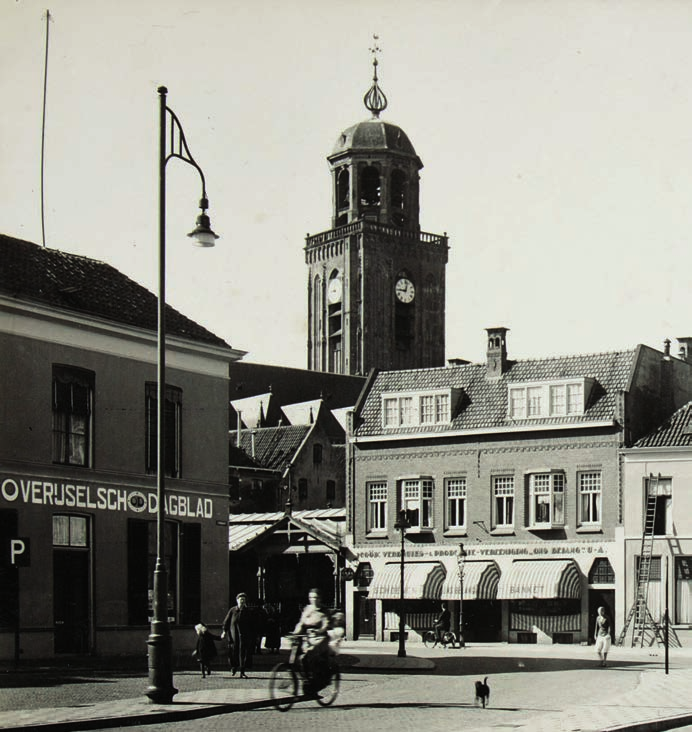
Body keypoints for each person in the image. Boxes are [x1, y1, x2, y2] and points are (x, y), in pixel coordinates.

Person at [293, 588, 331, 697]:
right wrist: (295, 633)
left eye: (315, 597)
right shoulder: (307, 609)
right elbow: (301, 623)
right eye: (311, 597)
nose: (313, 600)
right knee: (299, 657)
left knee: (308, 656)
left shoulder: (324, 610)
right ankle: (306, 679)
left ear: (320, 598)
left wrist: (319, 631)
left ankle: (311, 681)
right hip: (307, 638)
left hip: (320, 638)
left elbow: (326, 624)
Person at [221, 592, 255, 678]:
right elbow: (226, 621)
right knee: (233, 652)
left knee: (243, 653)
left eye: (244, 599)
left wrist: (253, 635)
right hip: (233, 636)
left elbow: (252, 624)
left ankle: (242, 672)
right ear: (237, 600)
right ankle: (234, 667)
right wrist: (224, 631)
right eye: (240, 599)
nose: (242, 601)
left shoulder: (248, 612)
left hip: (244, 636)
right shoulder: (232, 610)